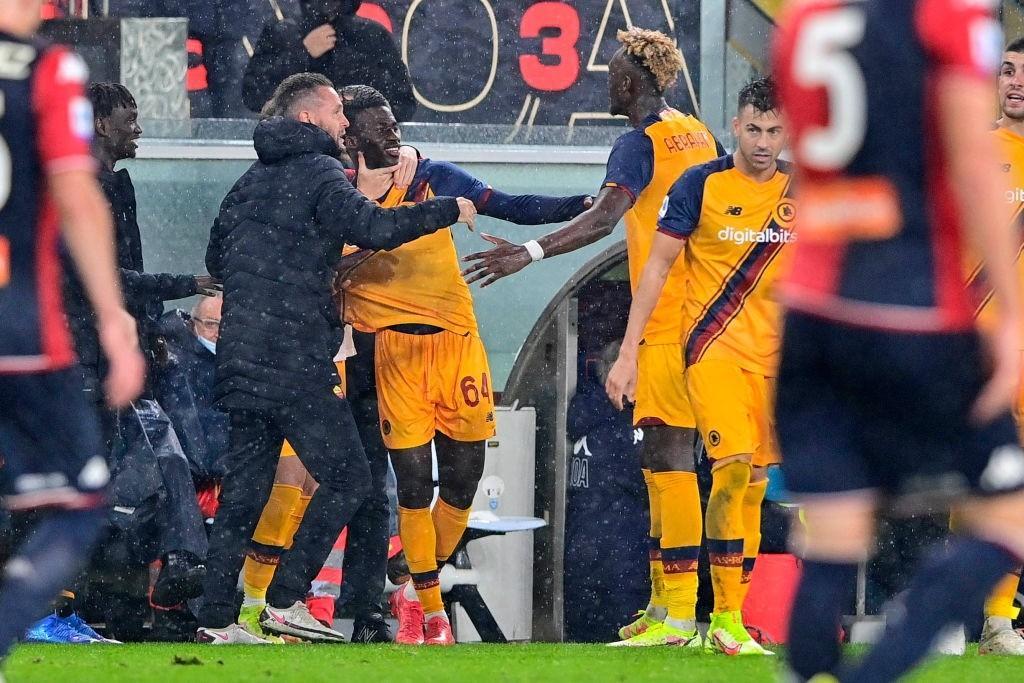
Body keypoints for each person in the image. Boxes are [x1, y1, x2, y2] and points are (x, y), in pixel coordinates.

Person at [774, 1, 1024, 680]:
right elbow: (972, 162)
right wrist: (1014, 318)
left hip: (811, 311)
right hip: (910, 310)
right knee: (1009, 517)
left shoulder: (802, 23)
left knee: (833, 534)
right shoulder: (948, 18)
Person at [462, 27, 723, 646]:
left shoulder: (636, 143)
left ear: (630, 82)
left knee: (669, 458)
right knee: (673, 459)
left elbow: (607, 217)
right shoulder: (695, 132)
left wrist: (529, 251)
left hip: (666, 320)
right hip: (707, 313)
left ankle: (679, 613)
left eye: (609, 73)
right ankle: (667, 608)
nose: (603, 82)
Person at [196, 72, 476, 645]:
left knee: (244, 492)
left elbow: (217, 258)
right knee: (351, 480)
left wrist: (276, 276)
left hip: (242, 359)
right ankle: (285, 599)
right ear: (306, 119)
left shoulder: (250, 180)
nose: (343, 123)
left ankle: (216, 618)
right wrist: (446, 208)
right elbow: (372, 226)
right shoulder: (319, 171)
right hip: (294, 359)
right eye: (334, 113)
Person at [332, 83, 590, 646]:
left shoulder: (428, 175)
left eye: (394, 122)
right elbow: (328, 268)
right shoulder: (335, 193)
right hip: (394, 354)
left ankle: (407, 580)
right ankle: (429, 610)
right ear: (348, 135)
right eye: (379, 126)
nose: (393, 133)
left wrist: (581, 205)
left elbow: (511, 207)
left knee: (463, 482)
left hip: (458, 345)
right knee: (412, 487)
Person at [604, 76, 788, 655]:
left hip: (776, 360)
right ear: (734, 126)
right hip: (711, 351)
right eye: (753, 128)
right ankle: (710, 618)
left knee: (755, 483)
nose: (763, 141)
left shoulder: (803, 190)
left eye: (774, 130)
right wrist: (628, 351)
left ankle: (722, 617)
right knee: (728, 468)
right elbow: (656, 269)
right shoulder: (700, 183)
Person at [0, 0, 144, 666]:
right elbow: (76, 195)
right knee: (81, 493)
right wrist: (116, 319)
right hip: (20, 323)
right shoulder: (44, 70)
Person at [242, 0, 415, 120]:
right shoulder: (282, 33)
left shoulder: (372, 35)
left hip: (357, 152)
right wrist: (302, 53)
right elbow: (255, 96)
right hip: (298, 151)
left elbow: (403, 104)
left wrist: (354, 113)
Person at [154, 295, 228, 484]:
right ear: (192, 325)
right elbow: (186, 423)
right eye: (211, 324)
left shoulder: (229, 362)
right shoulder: (178, 365)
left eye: (225, 325)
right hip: (196, 476)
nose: (219, 332)